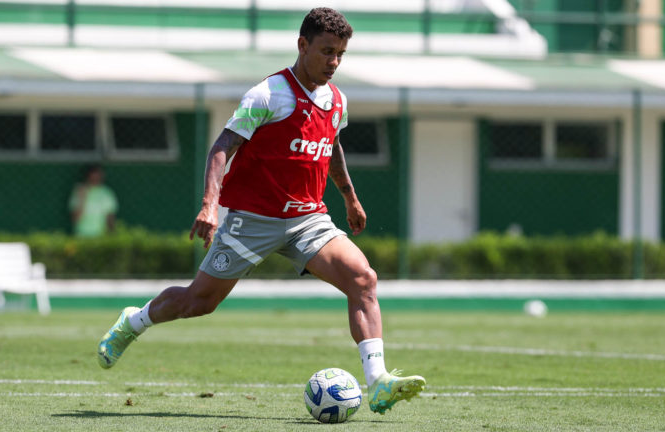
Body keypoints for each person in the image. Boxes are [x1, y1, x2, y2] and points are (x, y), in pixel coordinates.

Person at [97, 7, 425, 415]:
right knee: (198, 302)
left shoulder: (337, 100)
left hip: (308, 219)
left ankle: (378, 382)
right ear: (302, 45)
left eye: (340, 53)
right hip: (252, 220)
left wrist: (349, 197)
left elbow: (333, 148)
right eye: (326, 51)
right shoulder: (268, 94)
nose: (334, 62)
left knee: (364, 278)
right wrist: (208, 205)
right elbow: (222, 147)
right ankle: (134, 321)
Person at [69, 164, 118, 237]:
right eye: (92, 176)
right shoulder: (79, 191)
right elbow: (75, 219)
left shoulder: (106, 193)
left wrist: (111, 236)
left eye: (97, 176)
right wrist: (82, 198)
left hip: (101, 236)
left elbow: (110, 218)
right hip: (81, 234)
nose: (95, 179)